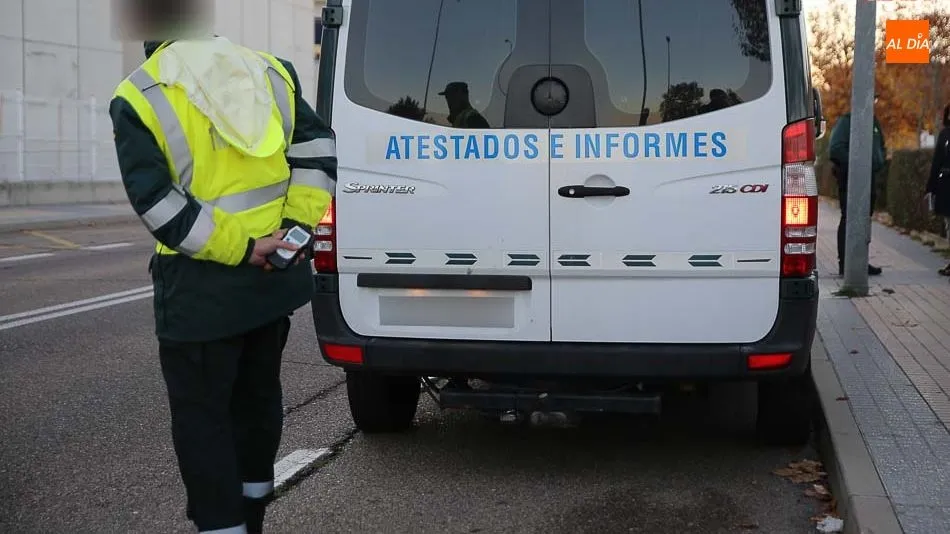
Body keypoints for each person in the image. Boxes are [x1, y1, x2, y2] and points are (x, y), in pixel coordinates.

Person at [110, 35, 335, 533]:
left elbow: (158, 204)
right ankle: (252, 513)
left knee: (203, 421)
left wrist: (242, 246)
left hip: (199, 294)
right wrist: (291, 236)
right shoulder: (272, 71)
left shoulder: (139, 93)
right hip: (270, 285)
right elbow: (318, 152)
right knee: (257, 402)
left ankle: (222, 525)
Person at [828, 93, 888, 276]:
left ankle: (860, 260)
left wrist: (879, 160)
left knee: (864, 220)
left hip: (869, 177)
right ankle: (845, 263)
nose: (873, 104)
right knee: (849, 219)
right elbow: (836, 148)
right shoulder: (848, 122)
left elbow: (880, 148)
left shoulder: (873, 123)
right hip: (851, 179)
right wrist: (858, 164)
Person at [926, 104, 950, 277]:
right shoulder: (945, 135)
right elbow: (937, 161)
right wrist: (931, 188)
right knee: (949, 225)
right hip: (947, 185)